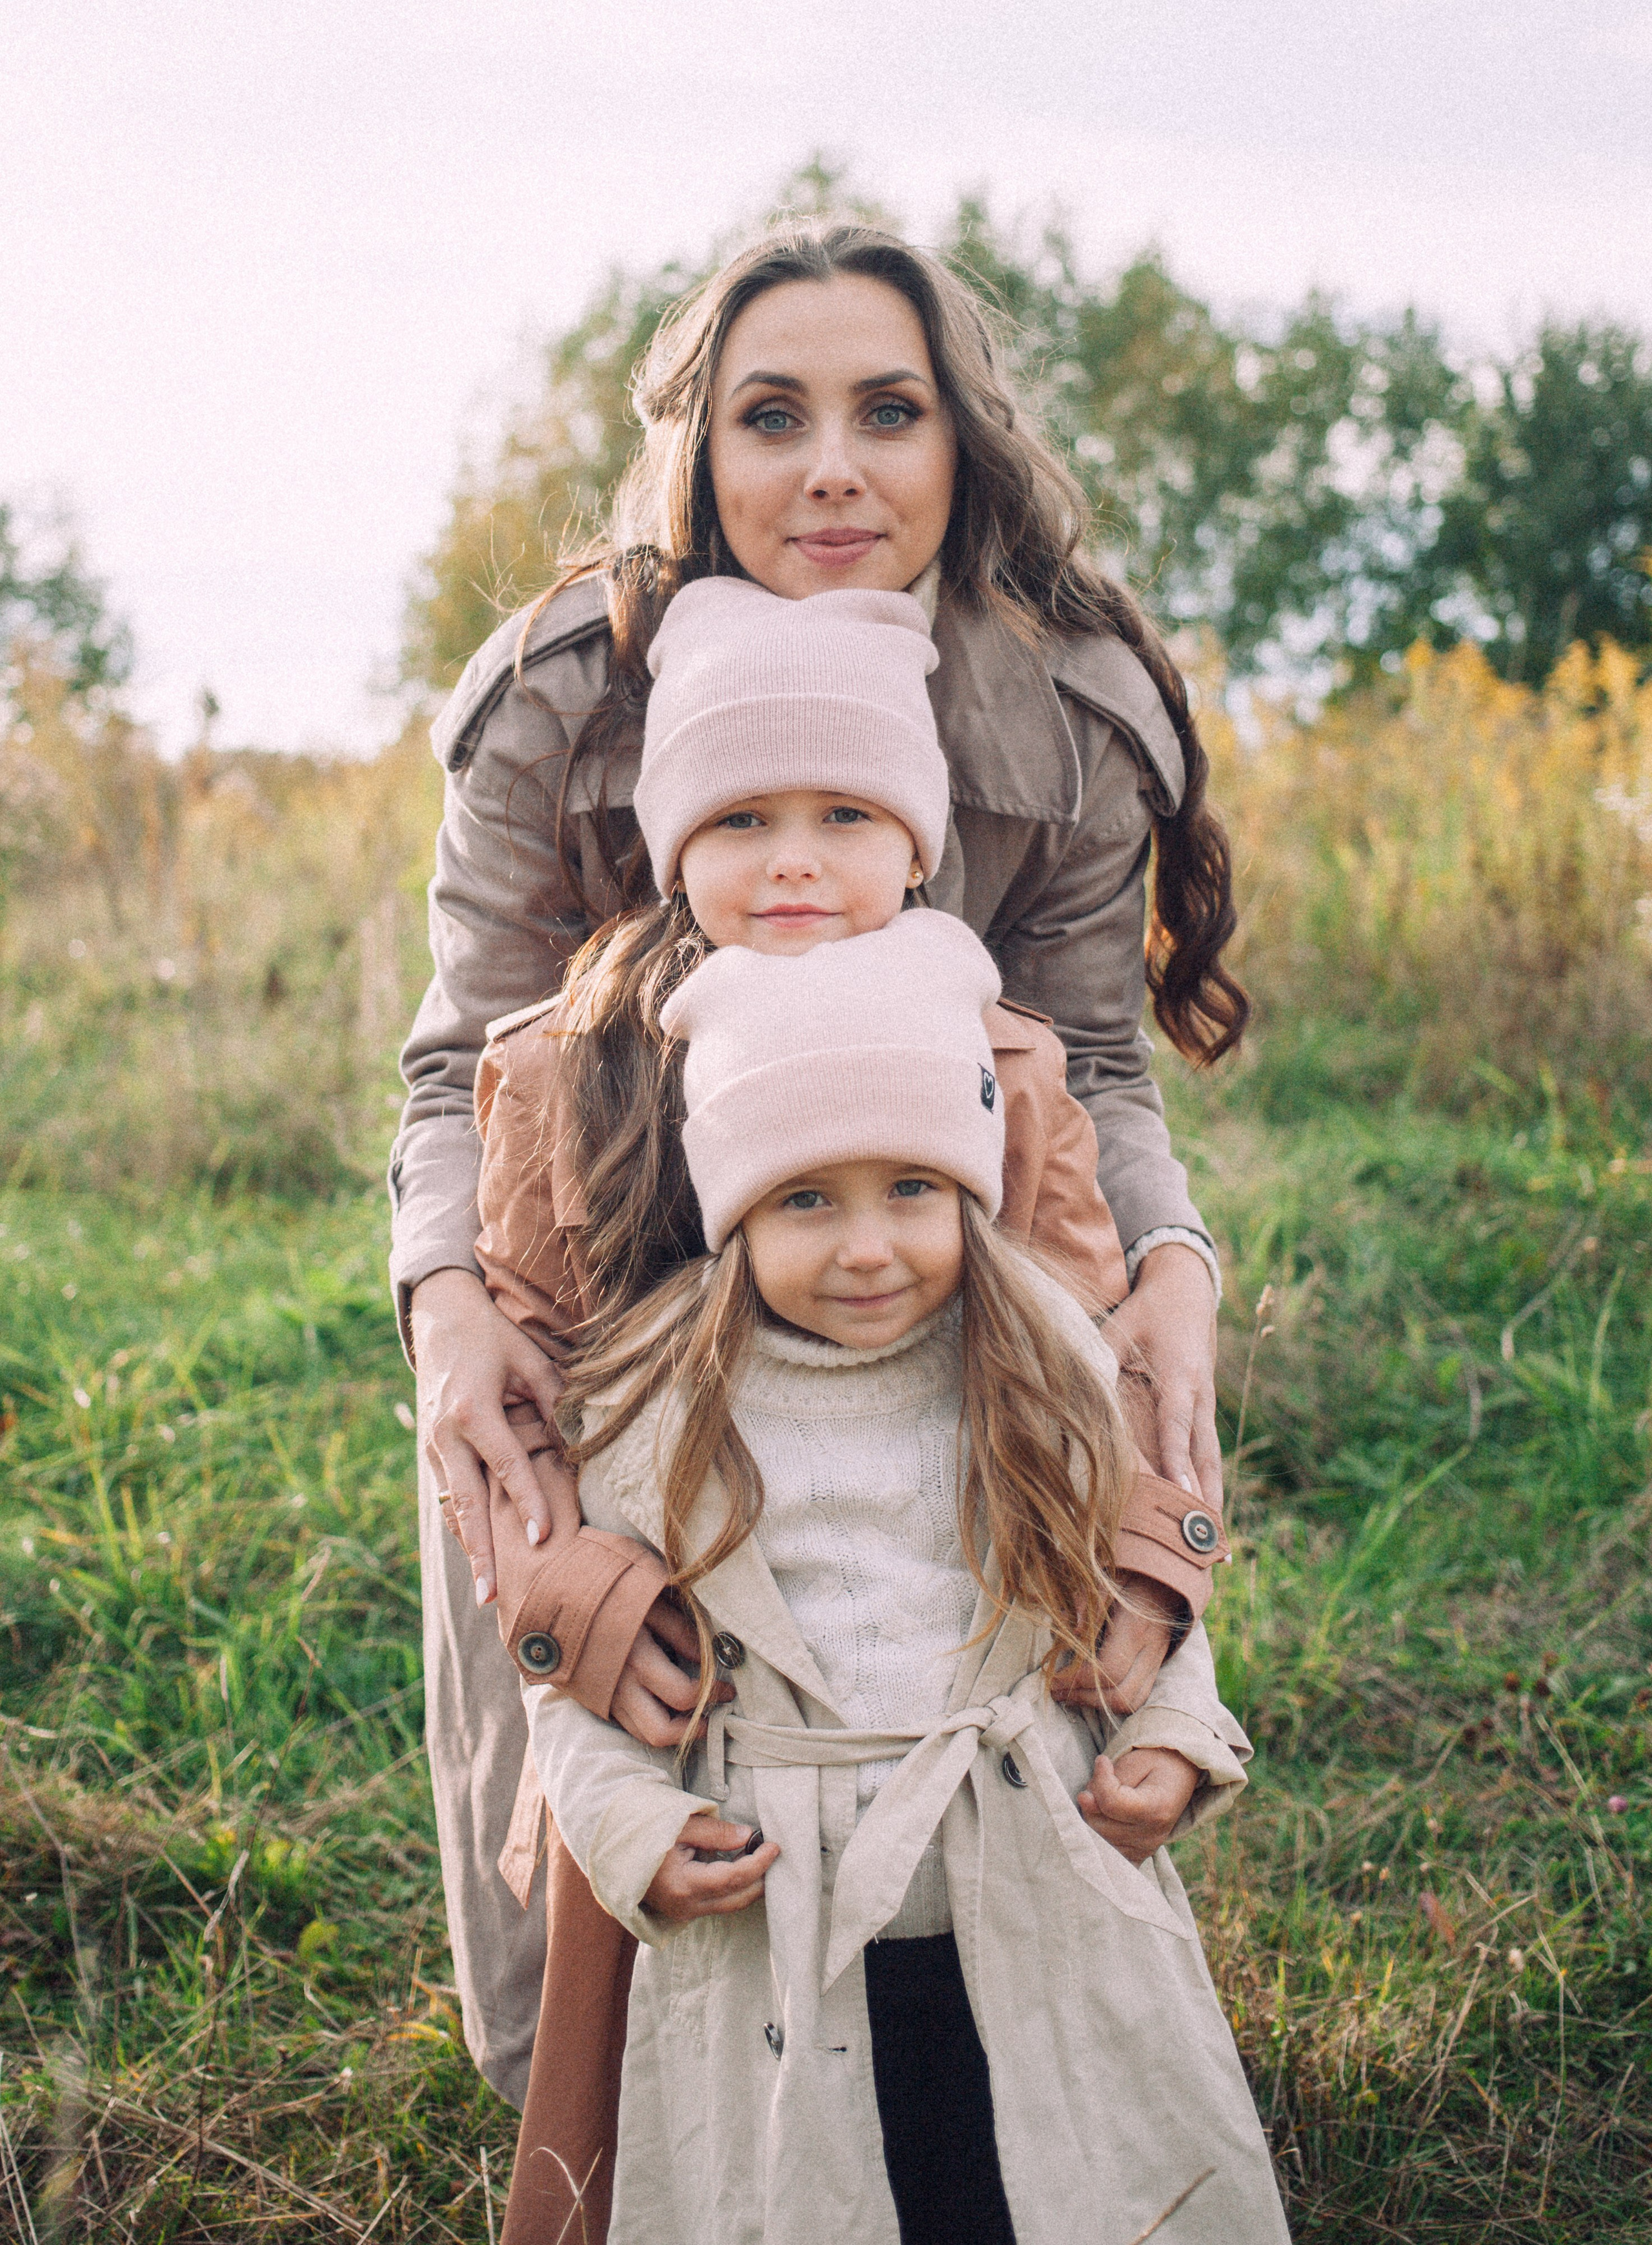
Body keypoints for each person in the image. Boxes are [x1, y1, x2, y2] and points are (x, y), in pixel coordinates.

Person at [392, 219, 1248, 2108]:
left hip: (923, 1266)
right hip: (605, 1286)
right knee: (597, 1693)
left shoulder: (1072, 704)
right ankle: (590, 2118)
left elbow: (1094, 1064)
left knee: (960, 1763)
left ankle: (1007, 2086)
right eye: (773, 416)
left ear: (964, 444)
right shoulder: (560, 693)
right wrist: (449, 1308)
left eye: (891, 411)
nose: (834, 465)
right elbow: (465, 1064)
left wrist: (1169, 1258)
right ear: (701, 449)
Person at [463, 578, 1233, 2244]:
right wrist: (576, 1606)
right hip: (698, 1656)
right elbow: (523, 1396)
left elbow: (1078, 1391)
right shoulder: (571, 1070)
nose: (795, 860)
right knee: (696, 2119)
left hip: (966, 1698)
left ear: (919, 843)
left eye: (845, 814)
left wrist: (1156, 1609)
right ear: (672, 842)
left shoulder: (997, 1062)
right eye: (742, 817)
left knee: (1013, 2124)